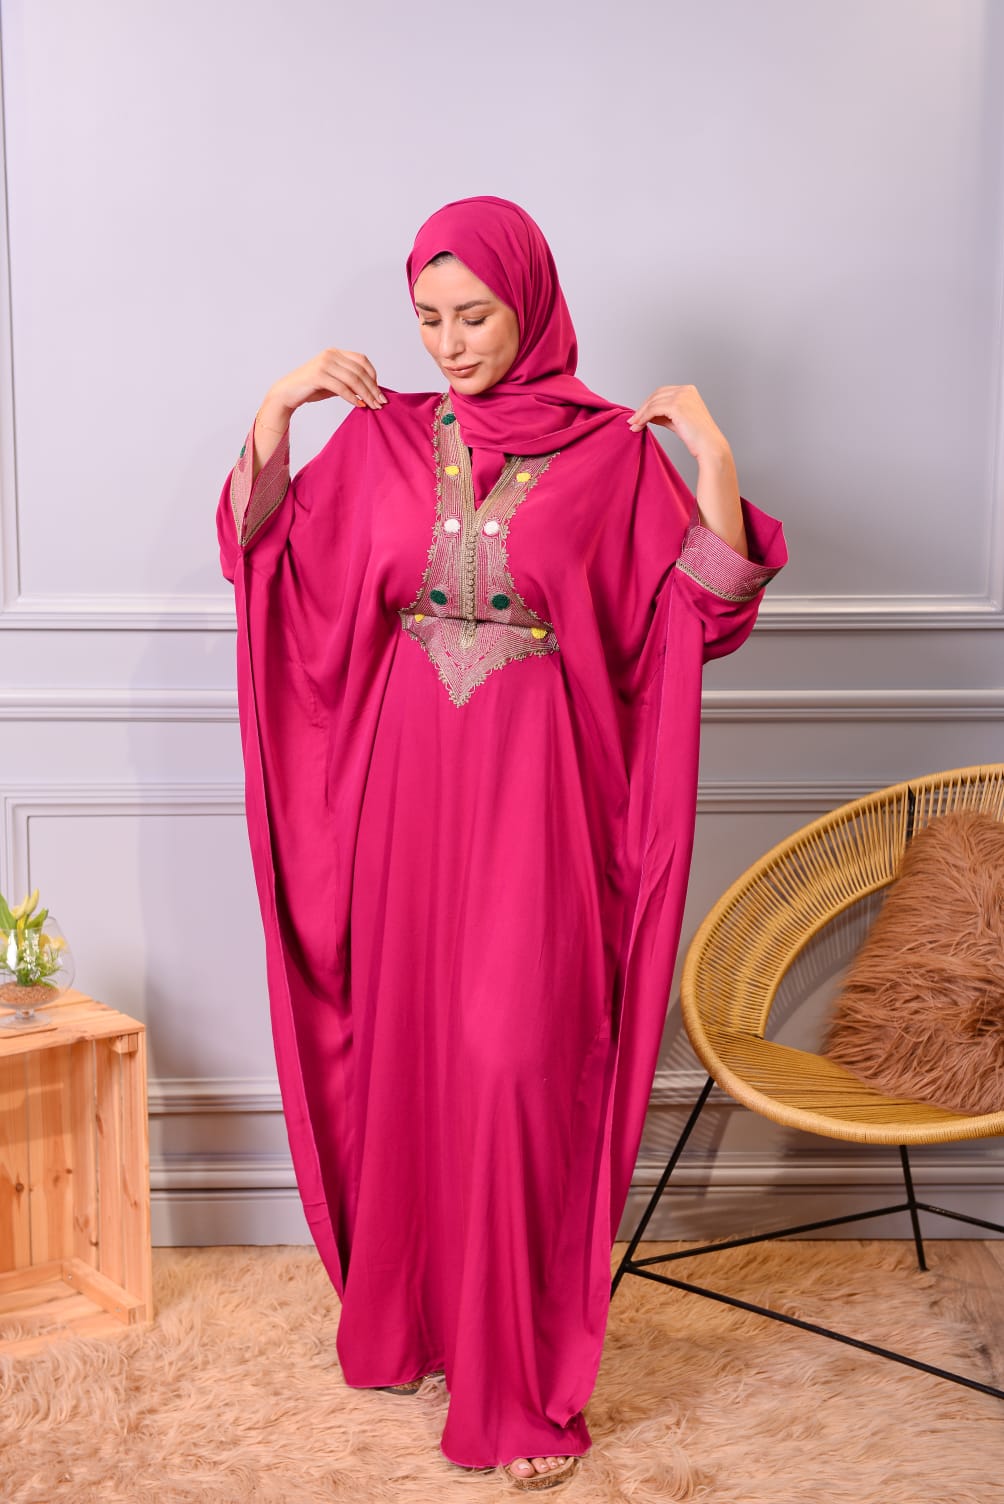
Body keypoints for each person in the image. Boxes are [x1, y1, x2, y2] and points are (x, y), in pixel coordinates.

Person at [217, 195, 786, 1492]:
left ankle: (516, 1386)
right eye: (428, 319)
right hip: (407, 800)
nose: (450, 343)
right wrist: (278, 411)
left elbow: (700, 611)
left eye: (473, 315)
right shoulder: (383, 438)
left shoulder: (607, 452)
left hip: (543, 804)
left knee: (517, 1063)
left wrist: (711, 456)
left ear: (531, 303)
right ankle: (420, 1324)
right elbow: (273, 563)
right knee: (417, 1055)